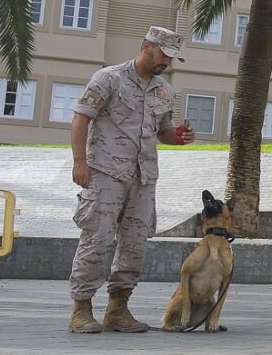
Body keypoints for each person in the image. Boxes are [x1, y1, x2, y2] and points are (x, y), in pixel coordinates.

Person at [66, 27, 194, 334]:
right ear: (146, 46)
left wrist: (176, 138)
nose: (167, 62)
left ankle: (118, 309)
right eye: (163, 54)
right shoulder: (108, 78)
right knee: (96, 240)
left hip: (143, 176)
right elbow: (81, 117)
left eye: (172, 57)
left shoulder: (164, 89)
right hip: (106, 172)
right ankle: (81, 309)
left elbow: (162, 130)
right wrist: (80, 163)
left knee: (135, 245)